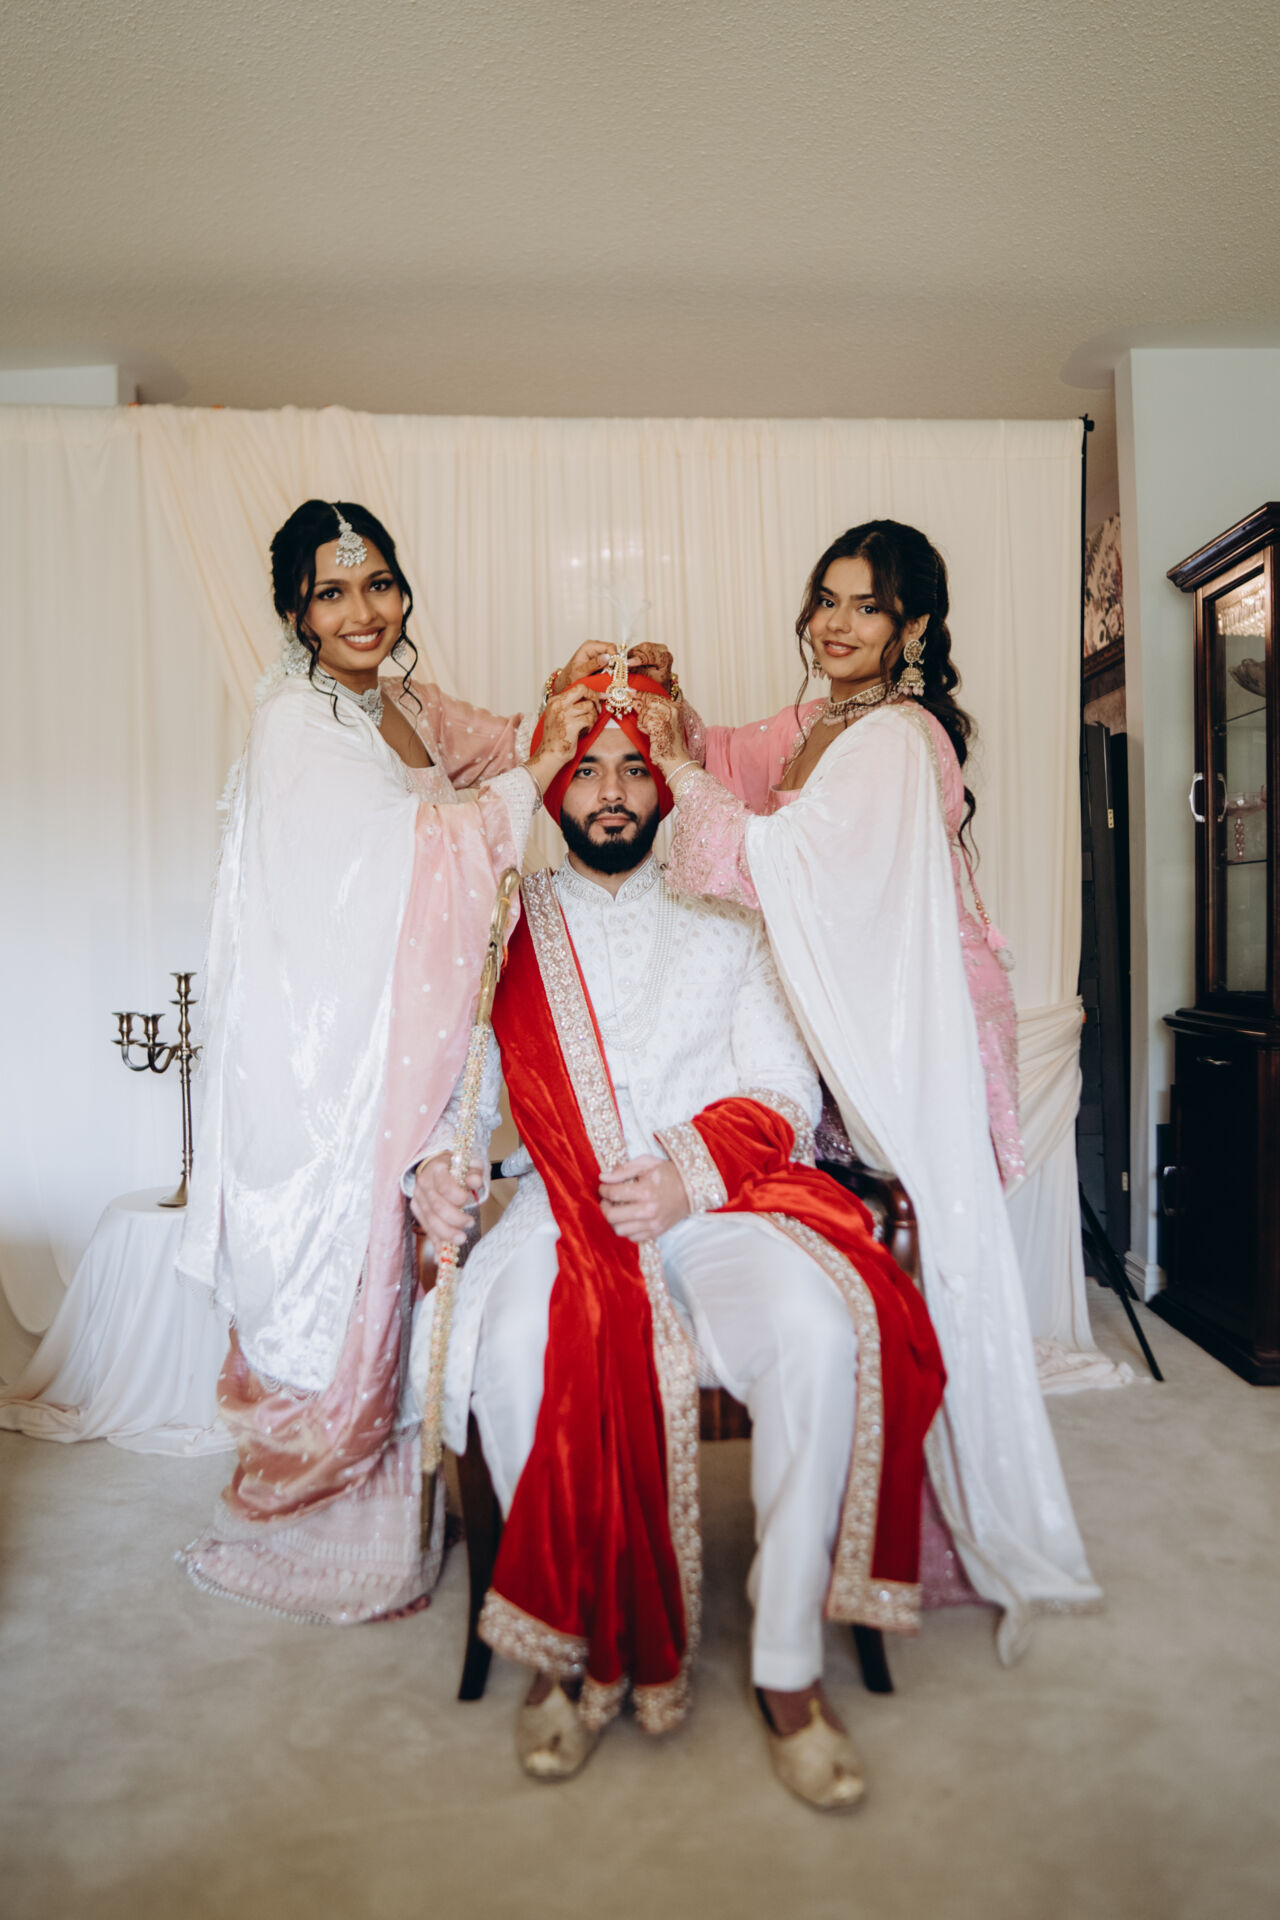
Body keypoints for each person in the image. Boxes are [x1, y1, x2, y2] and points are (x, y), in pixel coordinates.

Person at [409, 670, 946, 1809]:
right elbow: (457, 1095)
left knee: (815, 1334)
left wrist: (684, 1175)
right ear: (554, 786)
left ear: (666, 787)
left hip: (718, 1203)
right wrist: (435, 1168)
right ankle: (562, 1648)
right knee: (514, 1348)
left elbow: (781, 1089)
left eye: (632, 770)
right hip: (562, 1210)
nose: (609, 792)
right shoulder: (507, 922)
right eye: (586, 769)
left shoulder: (730, 914)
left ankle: (788, 1669)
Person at [636, 520, 1102, 1661]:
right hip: (847, 1029)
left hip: (914, 1028)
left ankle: (919, 1520)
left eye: (867, 607)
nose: (836, 625)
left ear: (914, 627)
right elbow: (728, 754)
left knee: (917, 1259)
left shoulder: (896, 737)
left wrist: (680, 779)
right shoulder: (820, 721)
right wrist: (665, 703)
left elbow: (782, 859)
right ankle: (855, 1494)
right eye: (826, 601)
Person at [177, 498, 601, 1623]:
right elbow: (414, 853)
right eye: (332, 592)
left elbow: (505, 743)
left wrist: (577, 704)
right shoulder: (297, 725)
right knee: (350, 1266)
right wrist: (526, 783)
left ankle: (408, 1506)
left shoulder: (402, 702)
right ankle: (321, 1520)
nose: (362, 612)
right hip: (328, 1061)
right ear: (295, 613)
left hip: (400, 1040)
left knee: (422, 1243)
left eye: (377, 585)